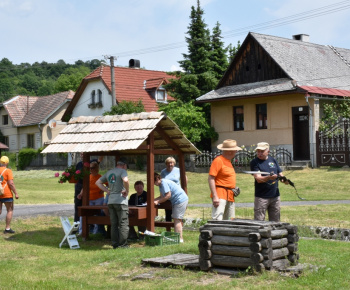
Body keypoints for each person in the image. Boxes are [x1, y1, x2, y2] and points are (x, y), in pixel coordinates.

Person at [250, 142, 288, 222]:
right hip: (261, 197)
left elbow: (280, 174)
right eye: (258, 151)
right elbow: (258, 179)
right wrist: (269, 177)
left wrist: (284, 180)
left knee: (276, 221)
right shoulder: (254, 162)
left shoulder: (273, 160)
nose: (259, 153)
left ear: (268, 152)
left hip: (275, 196)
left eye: (262, 151)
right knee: (259, 222)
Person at [96, 158, 129, 249]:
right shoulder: (122, 171)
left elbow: (98, 182)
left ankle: (115, 244)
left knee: (113, 224)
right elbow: (125, 180)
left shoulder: (109, 172)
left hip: (111, 201)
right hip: (121, 201)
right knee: (123, 223)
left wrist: (107, 191)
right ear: (124, 165)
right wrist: (127, 191)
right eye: (126, 166)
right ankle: (123, 245)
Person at [208, 139, 242, 220]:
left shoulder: (228, 161)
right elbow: (211, 178)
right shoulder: (218, 160)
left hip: (230, 195)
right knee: (218, 220)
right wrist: (215, 196)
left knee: (231, 220)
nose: (236, 151)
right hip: (220, 195)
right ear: (230, 151)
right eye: (235, 149)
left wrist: (233, 187)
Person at [154, 172, 188, 243]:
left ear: (157, 178)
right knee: (177, 219)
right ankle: (178, 238)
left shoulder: (163, 183)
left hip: (180, 200)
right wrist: (153, 200)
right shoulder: (161, 185)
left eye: (154, 181)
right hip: (177, 201)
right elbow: (162, 197)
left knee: (177, 220)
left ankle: (179, 239)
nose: (153, 184)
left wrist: (158, 202)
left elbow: (168, 195)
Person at [77, 161, 105, 235]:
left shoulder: (100, 177)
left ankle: (96, 232)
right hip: (89, 199)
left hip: (98, 199)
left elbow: (108, 184)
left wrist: (103, 190)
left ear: (96, 168)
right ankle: (81, 231)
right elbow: (84, 187)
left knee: (97, 214)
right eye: (90, 168)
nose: (91, 170)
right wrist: (80, 194)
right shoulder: (88, 177)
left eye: (92, 168)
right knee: (84, 214)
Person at [160, 157, 187, 222]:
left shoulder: (178, 170)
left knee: (178, 214)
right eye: (168, 163)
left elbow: (184, 179)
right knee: (168, 212)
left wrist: (184, 189)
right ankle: (168, 229)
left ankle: (178, 228)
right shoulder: (163, 172)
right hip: (168, 194)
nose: (170, 164)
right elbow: (161, 183)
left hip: (177, 194)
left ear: (174, 163)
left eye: (171, 163)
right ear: (166, 164)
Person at [0, 156, 19, 234]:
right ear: (7, 163)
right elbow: (11, 183)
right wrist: (16, 193)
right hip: (6, 193)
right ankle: (7, 228)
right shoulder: (8, 171)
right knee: (10, 210)